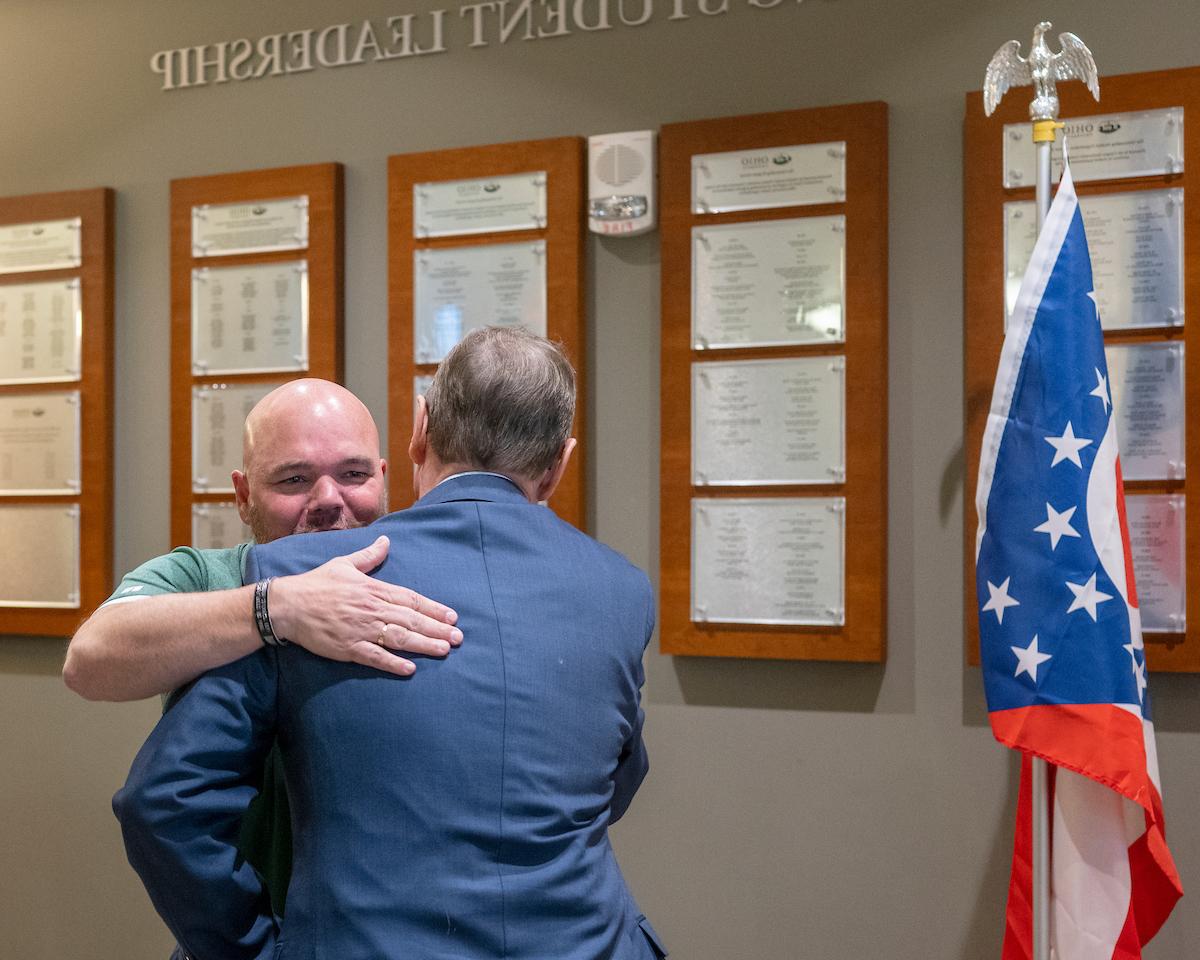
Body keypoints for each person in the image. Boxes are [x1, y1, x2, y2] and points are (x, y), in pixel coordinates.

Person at [114, 327, 667, 960]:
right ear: (559, 464)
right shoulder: (621, 589)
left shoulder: (309, 576)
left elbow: (164, 802)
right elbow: (616, 777)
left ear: (418, 432)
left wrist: (253, 951)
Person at [66, 378, 463, 915]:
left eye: (353, 474)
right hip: (242, 931)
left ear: (384, 478)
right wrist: (276, 608)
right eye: (294, 479)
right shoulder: (205, 575)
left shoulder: (428, 587)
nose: (328, 500)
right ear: (244, 495)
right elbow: (90, 661)